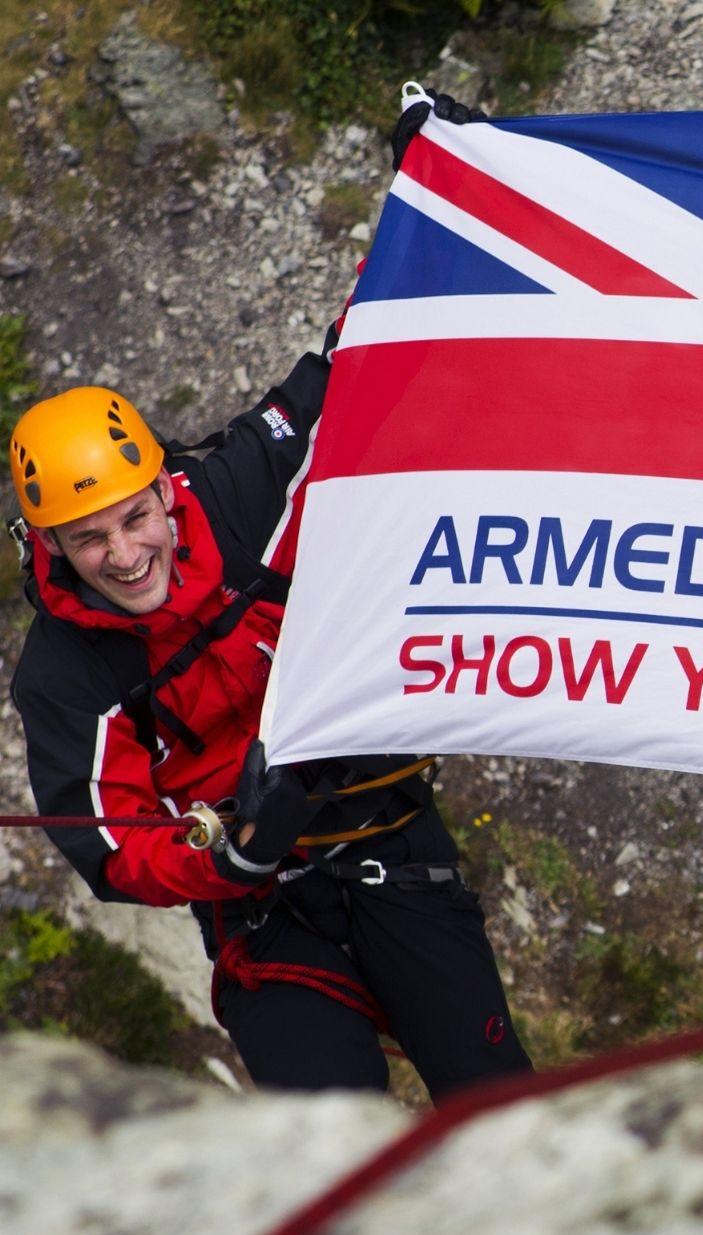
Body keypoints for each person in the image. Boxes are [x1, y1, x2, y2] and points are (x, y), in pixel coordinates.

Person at [6, 100, 529, 1098]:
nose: (123, 555)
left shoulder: (247, 485)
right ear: (51, 546)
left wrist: (437, 187)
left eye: (133, 516)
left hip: (388, 841)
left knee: (504, 1113)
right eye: (89, 539)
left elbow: (360, 357)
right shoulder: (65, 674)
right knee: (333, 1153)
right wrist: (235, 857)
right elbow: (111, 846)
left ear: (165, 486)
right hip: (261, 916)